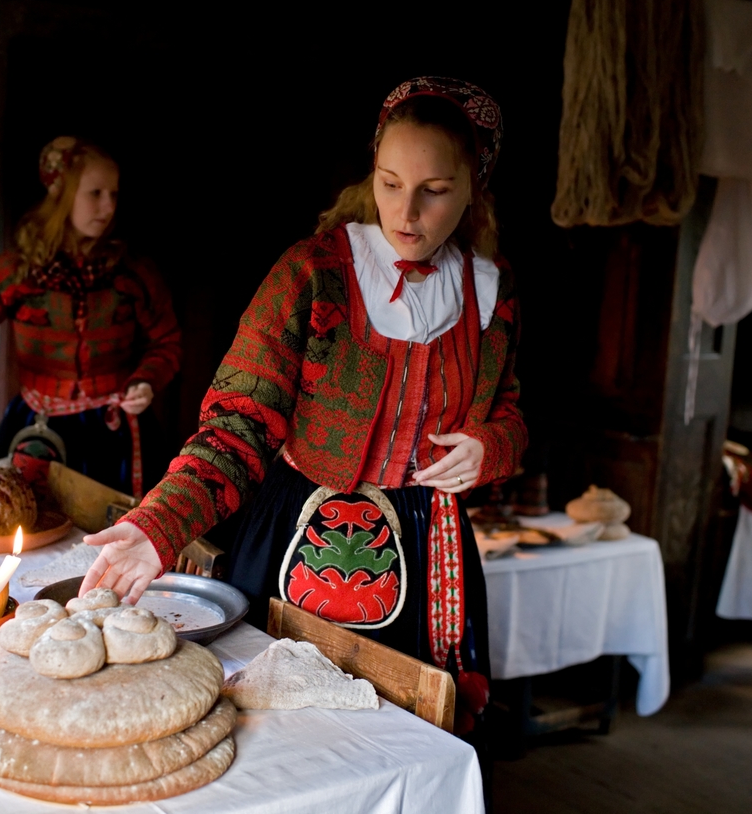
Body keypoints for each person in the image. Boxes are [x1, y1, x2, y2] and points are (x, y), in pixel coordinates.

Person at [83, 77, 526, 744]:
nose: (406, 210)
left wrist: (491, 445)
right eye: (389, 182)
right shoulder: (313, 273)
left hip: (427, 551)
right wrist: (160, 526)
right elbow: (236, 422)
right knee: (273, 734)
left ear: (472, 190)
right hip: (293, 533)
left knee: (403, 738)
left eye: (435, 190)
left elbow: (514, 412)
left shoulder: (491, 290)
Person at [0, 137, 181, 499]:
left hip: (115, 433)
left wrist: (145, 381)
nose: (107, 206)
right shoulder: (16, 271)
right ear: (62, 195)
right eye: (95, 193)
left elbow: (166, 343)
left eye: (114, 194)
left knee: (109, 537)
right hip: (36, 429)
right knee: (26, 526)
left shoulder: (134, 272)